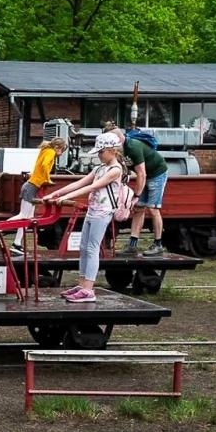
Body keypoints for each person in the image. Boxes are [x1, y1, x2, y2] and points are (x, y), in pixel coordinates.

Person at [40, 131, 126, 304]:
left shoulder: (115, 170)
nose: (99, 155)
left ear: (112, 150)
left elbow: (92, 187)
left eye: (101, 152)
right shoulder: (100, 168)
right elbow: (79, 182)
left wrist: (65, 198)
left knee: (92, 248)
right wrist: (57, 193)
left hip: (103, 212)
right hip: (92, 210)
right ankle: (81, 285)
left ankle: (88, 289)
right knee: (84, 247)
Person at [119, 130, 170, 257]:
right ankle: (132, 245)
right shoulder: (119, 150)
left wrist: (136, 196)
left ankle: (158, 245)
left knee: (153, 209)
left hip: (157, 174)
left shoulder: (133, 147)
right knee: (139, 209)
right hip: (146, 176)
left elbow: (142, 174)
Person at [12, 136, 68, 251]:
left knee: (29, 218)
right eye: (62, 150)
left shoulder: (45, 150)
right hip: (31, 187)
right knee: (23, 215)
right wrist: (47, 179)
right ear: (57, 147)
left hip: (31, 186)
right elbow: (44, 165)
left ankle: (17, 243)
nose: (61, 153)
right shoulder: (51, 152)